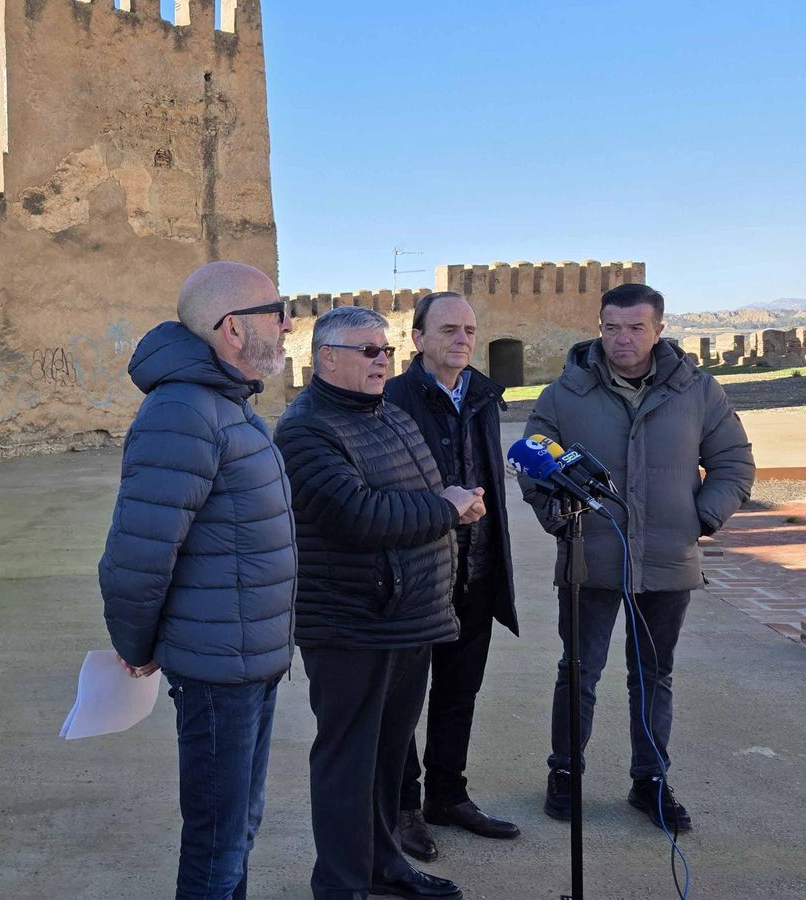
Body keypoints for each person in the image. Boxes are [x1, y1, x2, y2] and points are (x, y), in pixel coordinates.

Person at [98, 261, 297, 900]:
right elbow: (137, 553)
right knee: (217, 845)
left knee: (238, 831)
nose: (288, 325)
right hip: (218, 671)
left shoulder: (227, 405)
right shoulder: (183, 411)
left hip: (250, 659)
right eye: (277, 313)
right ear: (232, 329)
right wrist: (136, 645)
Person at [524, 283, 754, 831]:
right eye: (611, 327)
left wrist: (700, 519)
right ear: (599, 327)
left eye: (635, 328)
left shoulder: (698, 391)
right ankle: (566, 773)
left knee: (653, 676)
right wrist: (560, 517)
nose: (621, 339)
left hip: (667, 560)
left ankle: (650, 780)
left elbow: (734, 463)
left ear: (659, 330)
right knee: (578, 672)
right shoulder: (563, 394)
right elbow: (534, 466)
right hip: (590, 557)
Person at [274, 306, 482, 900]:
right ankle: (340, 884)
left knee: (389, 759)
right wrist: (446, 508)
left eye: (386, 350)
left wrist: (447, 503)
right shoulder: (305, 429)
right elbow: (358, 515)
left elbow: (415, 494)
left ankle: (383, 865)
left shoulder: (390, 414)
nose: (382, 360)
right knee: (348, 761)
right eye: (368, 351)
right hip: (350, 623)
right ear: (326, 357)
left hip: (409, 617)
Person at [381, 293, 521, 861]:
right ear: (418, 339)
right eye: (447, 329)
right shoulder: (391, 399)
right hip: (417, 576)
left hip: (477, 570)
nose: (462, 339)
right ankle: (403, 806)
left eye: (469, 329)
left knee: (459, 693)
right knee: (403, 702)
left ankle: (447, 795)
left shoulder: (484, 396)